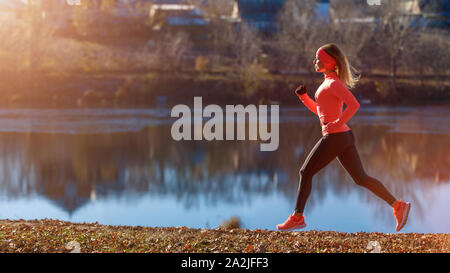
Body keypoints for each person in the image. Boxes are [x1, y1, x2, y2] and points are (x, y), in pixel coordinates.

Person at [276, 43, 411, 232]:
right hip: (343, 136)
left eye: (319, 59)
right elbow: (322, 113)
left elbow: (354, 105)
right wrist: (305, 98)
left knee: (305, 172)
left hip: (336, 136)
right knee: (361, 178)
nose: (315, 61)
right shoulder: (327, 82)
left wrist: (336, 124)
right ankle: (398, 206)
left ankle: (297, 217)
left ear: (330, 62)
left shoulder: (333, 83)